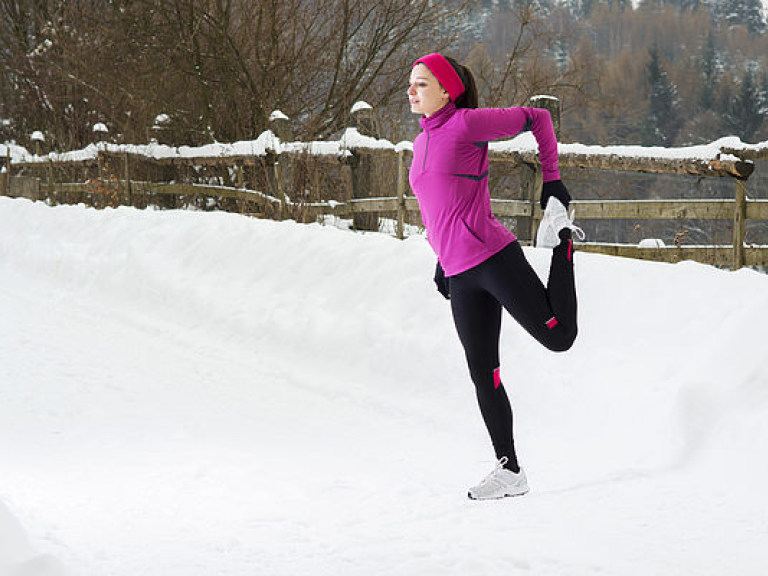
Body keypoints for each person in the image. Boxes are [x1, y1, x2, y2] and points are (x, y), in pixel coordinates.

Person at [407, 53, 584, 500]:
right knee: (482, 373)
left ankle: (563, 238)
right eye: (411, 84)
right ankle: (510, 471)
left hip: (492, 256)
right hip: (460, 272)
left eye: (422, 84)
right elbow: (436, 209)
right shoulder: (420, 142)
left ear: (448, 91)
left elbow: (537, 118)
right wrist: (440, 258)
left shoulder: (466, 124)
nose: (412, 91)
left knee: (559, 337)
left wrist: (552, 182)